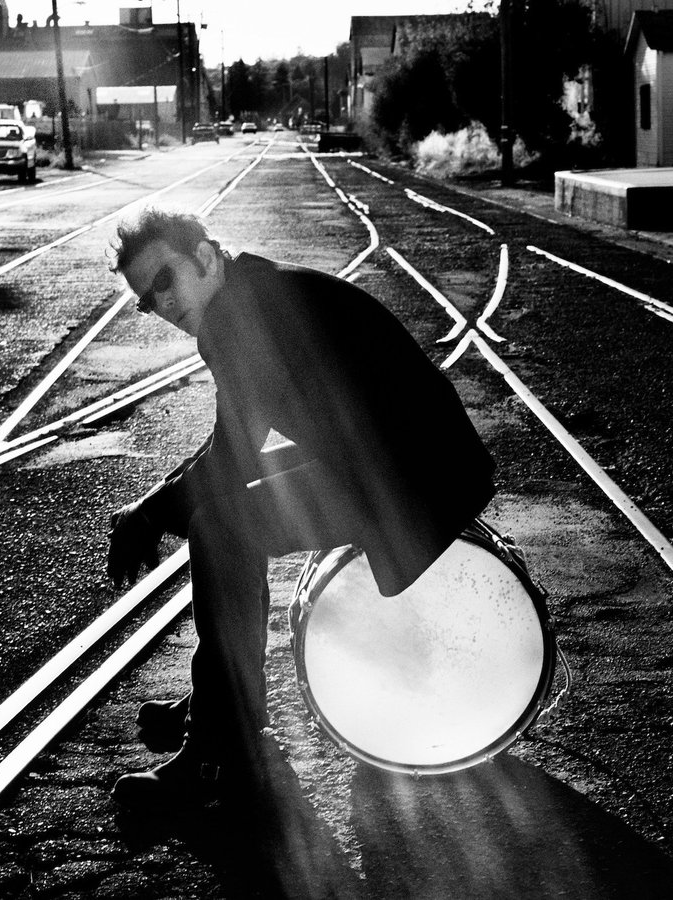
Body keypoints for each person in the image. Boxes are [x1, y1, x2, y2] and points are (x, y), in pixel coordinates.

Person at [106, 207, 496, 809]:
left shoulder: (241, 318)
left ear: (205, 257)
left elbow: (232, 457)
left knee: (222, 527)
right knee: (217, 515)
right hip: (397, 464)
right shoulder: (252, 294)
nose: (162, 304)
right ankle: (224, 698)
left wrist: (151, 513)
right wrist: (157, 504)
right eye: (146, 299)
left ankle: (220, 752)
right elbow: (232, 449)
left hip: (413, 482)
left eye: (165, 279)